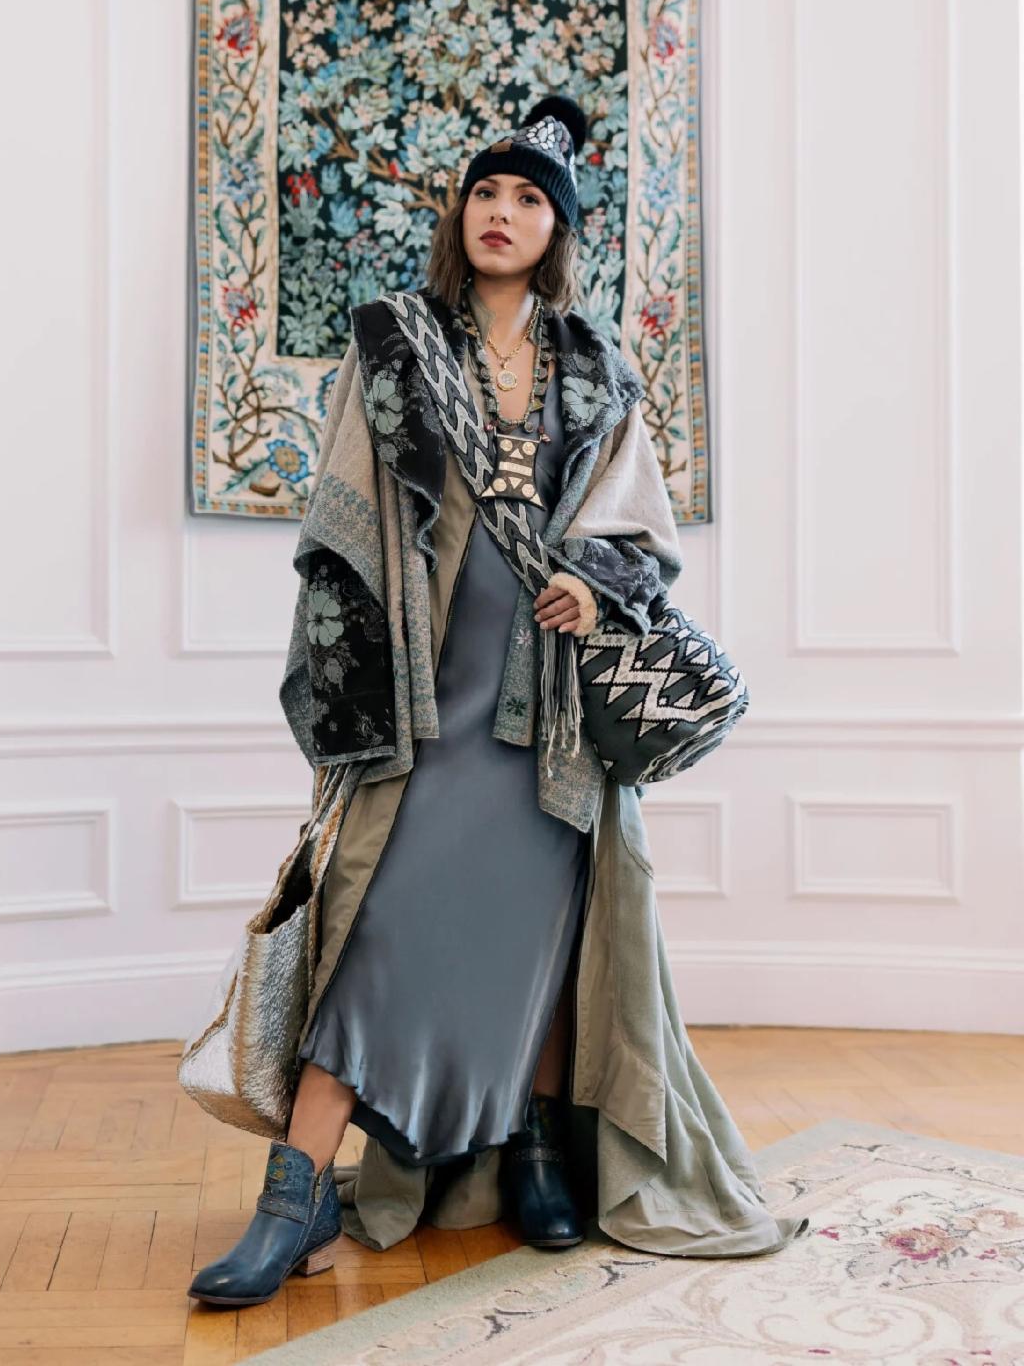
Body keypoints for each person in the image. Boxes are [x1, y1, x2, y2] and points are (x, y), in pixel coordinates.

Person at [188, 96, 806, 1308]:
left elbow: (639, 524)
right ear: (459, 213)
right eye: (486, 192)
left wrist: (592, 580)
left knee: (542, 942)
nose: (502, 213)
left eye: (529, 199)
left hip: (550, 713)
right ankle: (295, 1194)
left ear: (557, 228)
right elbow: (342, 513)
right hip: (426, 698)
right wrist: (357, 682)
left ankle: (536, 1152)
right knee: (372, 936)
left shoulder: (597, 366)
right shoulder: (396, 343)